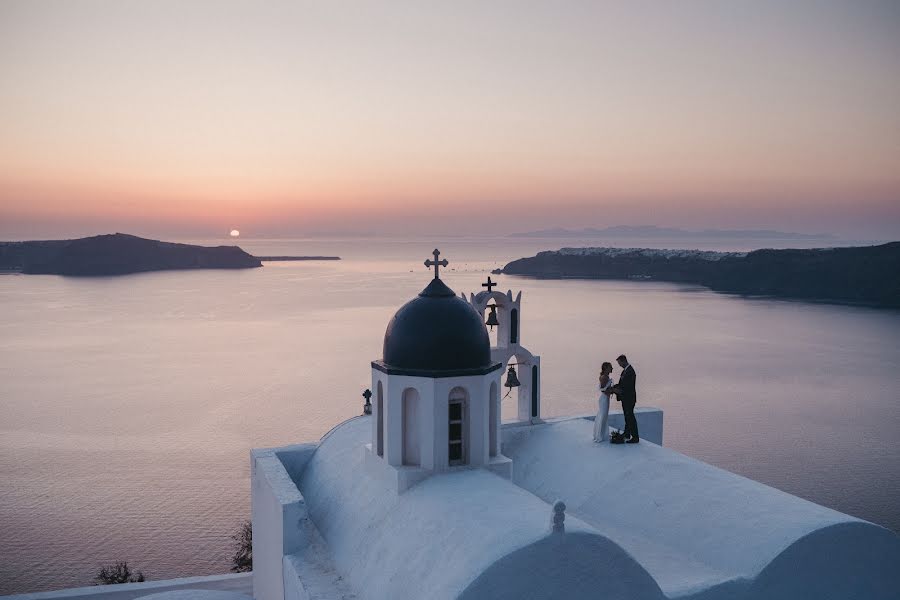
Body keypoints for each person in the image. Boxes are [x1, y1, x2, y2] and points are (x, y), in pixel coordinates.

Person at [612, 354, 639, 444]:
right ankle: (627, 433)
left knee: (630, 417)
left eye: (619, 363)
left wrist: (615, 390)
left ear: (623, 361)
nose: (619, 365)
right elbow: (621, 384)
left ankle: (635, 437)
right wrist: (614, 387)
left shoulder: (630, 371)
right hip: (625, 398)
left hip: (629, 399)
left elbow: (627, 387)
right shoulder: (625, 371)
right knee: (627, 417)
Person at [593, 362, 614, 442]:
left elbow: (605, 389)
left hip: (606, 399)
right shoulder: (604, 377)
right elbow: (603, 389)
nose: (612, 368)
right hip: (604, 399)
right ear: (606, 368)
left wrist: (611, 390)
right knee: (603, 416)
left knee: (603, 416)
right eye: (610, 367)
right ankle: (600, 435)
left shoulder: (606, 376)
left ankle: (601, 433)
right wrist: (612, 390)